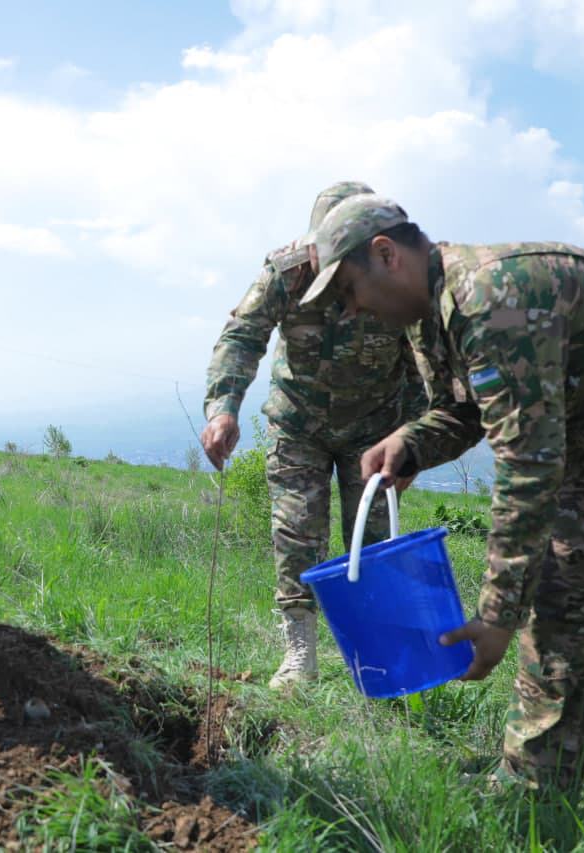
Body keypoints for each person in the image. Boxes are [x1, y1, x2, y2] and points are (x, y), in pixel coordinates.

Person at [301, 192, 584, 830]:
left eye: (349, 290)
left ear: (386, 256)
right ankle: (534, 797)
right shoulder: (429, 317)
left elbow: (529, 465)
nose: (352, 310)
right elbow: (470, 410)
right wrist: (412, 440)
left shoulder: (492, 297)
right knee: (557, 612)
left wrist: (494, 614)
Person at [201, 181, 425, 689]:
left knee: (369, 544)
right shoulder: (286, 272)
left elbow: (421, 363)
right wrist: (223, 407)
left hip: (375, 432)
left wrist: (414, 442)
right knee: (296, 532)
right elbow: (243, 334)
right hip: (298, 423)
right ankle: (299, 653)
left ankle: (375, 659)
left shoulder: (390, 278)